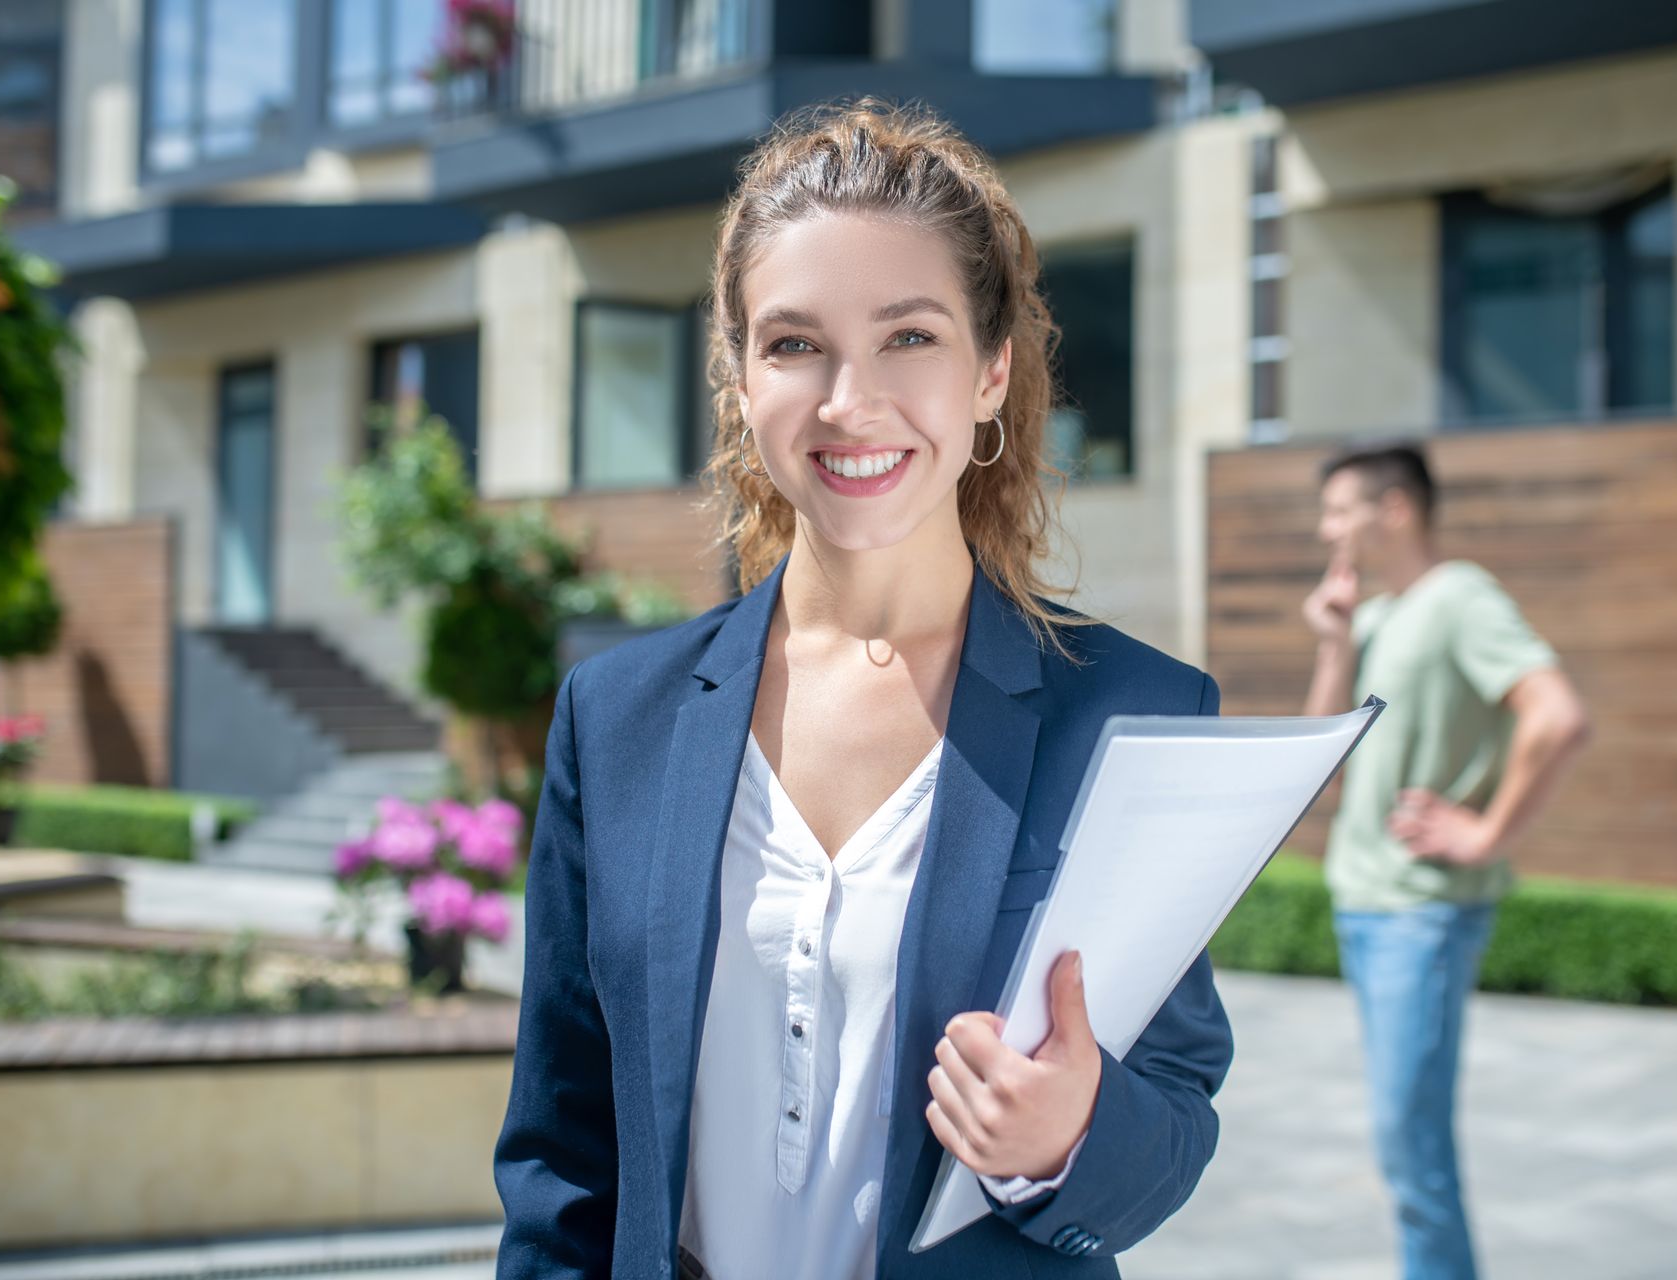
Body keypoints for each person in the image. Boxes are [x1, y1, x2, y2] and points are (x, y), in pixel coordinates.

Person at [493, 100, 1233, 1280]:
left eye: (909, 337)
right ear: (738, 377)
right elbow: (564, 1156)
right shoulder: (617, 716)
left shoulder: (1126, 717)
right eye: (793, 343)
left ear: (991, 370)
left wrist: (1067, 1136)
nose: (849, 401)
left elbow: (1175, 1100)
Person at [1301, 443, 1593, 1280]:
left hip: (1421, 913)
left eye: (1338, 510)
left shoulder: (1460, 597)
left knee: (1409, 1144)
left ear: (1395, 509)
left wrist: (1487, 834)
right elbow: (1316, 765)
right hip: (1367, 903)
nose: (1326, 529)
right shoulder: (1380, 614)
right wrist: (1332, 640)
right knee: (1404, 1142)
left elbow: (1558, 715)